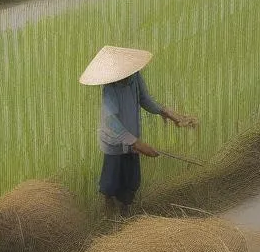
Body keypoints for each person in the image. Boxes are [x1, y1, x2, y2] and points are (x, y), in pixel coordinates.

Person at [79, 45, 197, 217]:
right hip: (114, 141)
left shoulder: (135, 77)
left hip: (133, 137)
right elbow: (111, 121)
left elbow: (144, 99)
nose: (125, 78)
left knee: (132, 179)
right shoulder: (110, 90)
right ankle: (108, 207)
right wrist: (136, 143)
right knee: (110, 182)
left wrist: (165, 112)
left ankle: (126, 209)